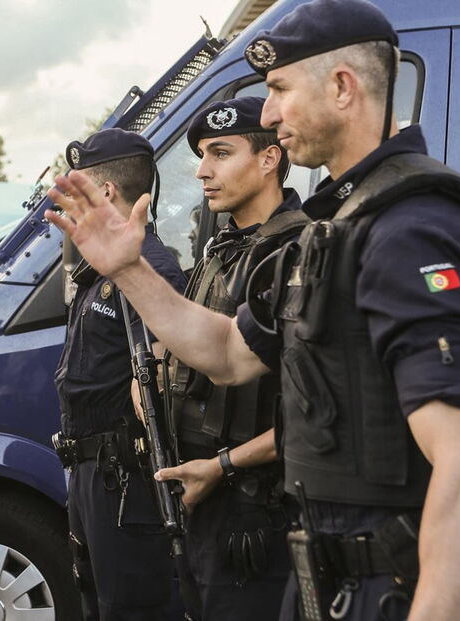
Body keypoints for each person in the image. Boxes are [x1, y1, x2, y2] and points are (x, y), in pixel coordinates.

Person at [44, 0, 460, 618]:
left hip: (395, 587)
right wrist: (128, 270)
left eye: (281, 89)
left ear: (342, 87)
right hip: (330, 579)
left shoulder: (412, 228)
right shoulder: (334, 231)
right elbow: (228, 352)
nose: (270, 112)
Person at [166, 96, 308, 620]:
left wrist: (222, 466)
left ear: (269, 158)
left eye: (220, 153)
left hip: (259, 509)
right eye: (202, 155)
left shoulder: (299, 252)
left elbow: (310, 409)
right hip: (202, 496)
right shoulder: (220, 250)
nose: (202, 171)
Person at [53, 128, 186, 619]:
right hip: (93, 474)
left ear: (106, 192)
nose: (70, 200)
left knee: (131, 608)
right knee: (98, 605)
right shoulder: (101, 266)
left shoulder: (150, 268)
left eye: (79, 187)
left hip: (127, 479)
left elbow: (161, 386)